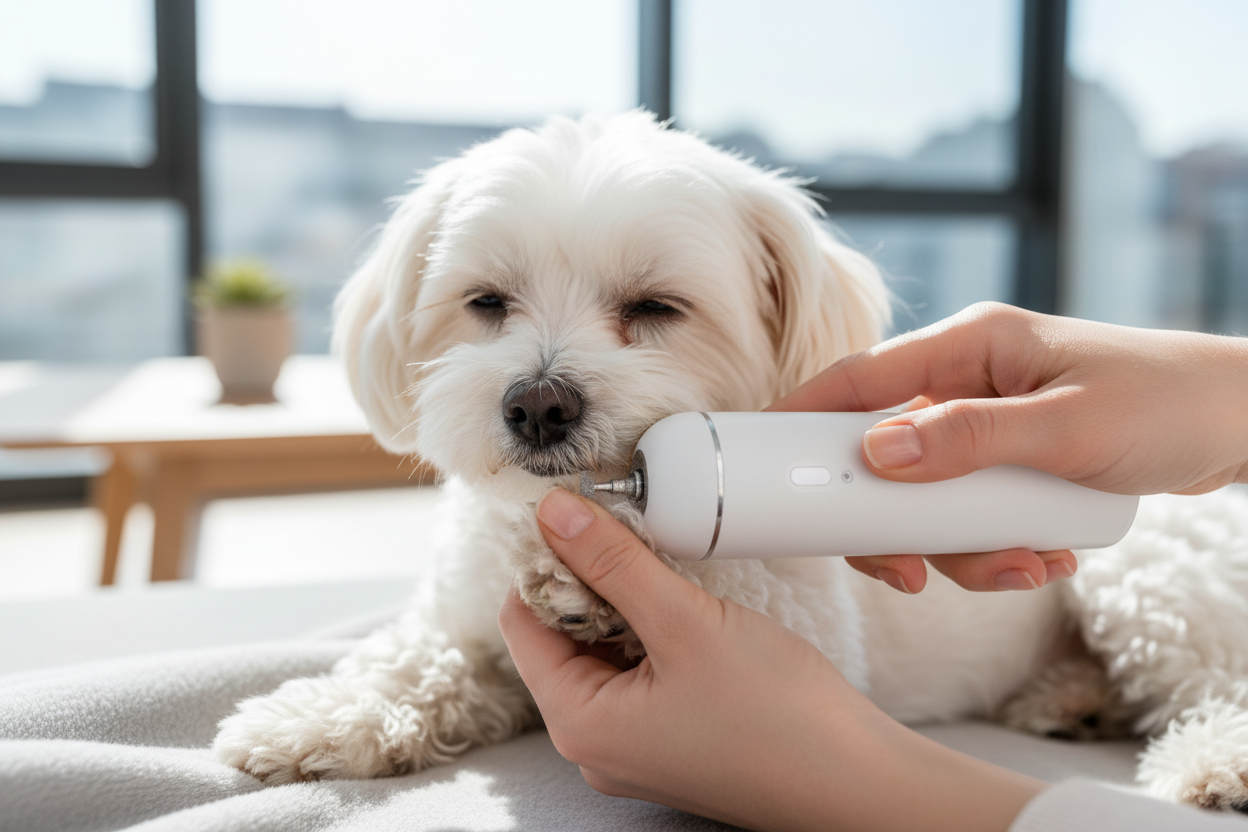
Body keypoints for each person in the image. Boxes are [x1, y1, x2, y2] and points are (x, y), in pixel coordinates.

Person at [497, 302, 1248, 832]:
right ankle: (1099, 694)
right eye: (492, 304)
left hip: (1113, 540)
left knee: (1144, 578)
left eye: (650, 309)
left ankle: (1229, 720)